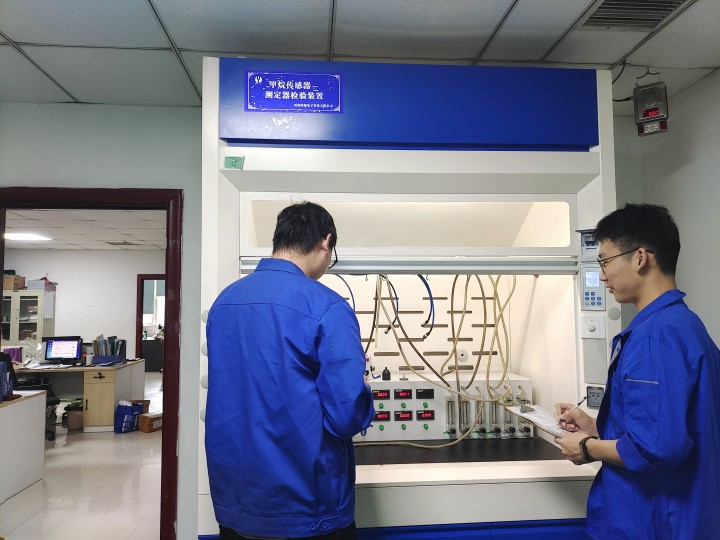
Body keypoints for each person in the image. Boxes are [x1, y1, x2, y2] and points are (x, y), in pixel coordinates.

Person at [205, 201, 374, 540]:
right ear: (326, 242)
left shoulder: (224, 303)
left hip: (235, 503)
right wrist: (365, 396)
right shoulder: (327, 306)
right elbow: (346, 417)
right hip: (307, 510)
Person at [554, 203, 720, 539]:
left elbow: (658, 447)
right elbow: (672, 426)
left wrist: (586, 448)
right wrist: (598, 428)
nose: (602, 276)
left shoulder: (653, 337)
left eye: (605, 262)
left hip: (657, 521)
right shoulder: (685, 325)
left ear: (640, 257)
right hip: (687, 516)